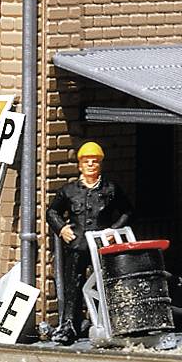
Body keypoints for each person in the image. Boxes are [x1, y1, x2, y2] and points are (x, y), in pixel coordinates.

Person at [45, 140, 131, 344]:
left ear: (100, 164)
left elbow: (128, 211)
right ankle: (69, 325)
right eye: (87, 161)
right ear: (80, 165)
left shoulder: (111, 189)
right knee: (72, 284)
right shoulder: (68, 190)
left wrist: (114, 230)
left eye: (95, 161)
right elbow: (52, 211)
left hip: (101, 246)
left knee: (104, 283)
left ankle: (106, 323)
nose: (91, 165)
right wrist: (61, 228)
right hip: (77, 245)